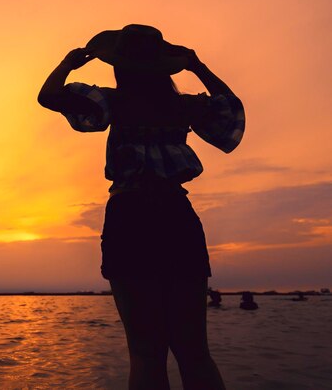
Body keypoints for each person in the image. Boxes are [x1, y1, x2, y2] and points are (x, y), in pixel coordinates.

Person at [38, 24, 244, 390]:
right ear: (163, 68)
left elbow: (49, 96)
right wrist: (197, 66)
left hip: (130, 215)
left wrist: (68, 63)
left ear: (120, 66)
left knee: (146, 353)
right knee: (195, 352)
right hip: (175, 215)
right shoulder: (183, 106)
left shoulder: (112, 102)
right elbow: (231, 110)